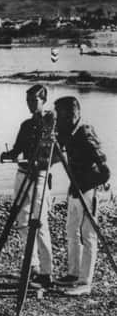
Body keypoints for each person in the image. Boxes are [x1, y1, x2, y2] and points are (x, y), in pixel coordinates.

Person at [0, 84, 58, 288]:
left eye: (34, 100)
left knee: (40, 224)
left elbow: (57, 154)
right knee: (22, 221)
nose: (30, 104)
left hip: (40, 177)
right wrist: (7, 155)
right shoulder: (26, 125)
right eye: (28, 100)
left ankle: (47, 271)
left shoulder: (51, 123)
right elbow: (17, 150)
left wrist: (43, 163)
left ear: (43, 100)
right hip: (23, 174)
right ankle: (31, 265)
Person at [54, 96, 110, 296]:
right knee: (71, 231)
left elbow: (105, 170)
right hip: (74, 189)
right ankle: (73, 273)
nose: (58, 119)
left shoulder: (85, 133)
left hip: (87, 190)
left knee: (88, 235)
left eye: (60, 114)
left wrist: (94, 189)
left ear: (72, 114)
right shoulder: (67, 133)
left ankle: (85, 282)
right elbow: (56, 150)